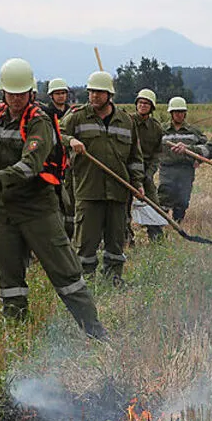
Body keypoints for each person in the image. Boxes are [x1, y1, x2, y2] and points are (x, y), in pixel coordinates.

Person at [0, 59, 106, 338]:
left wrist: (0, 178)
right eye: (11, 94)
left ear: (31, 92)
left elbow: (31, 164)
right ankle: (17, 332)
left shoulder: (39, 121)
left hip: (38, 209)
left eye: (22, 94)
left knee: (66, 273)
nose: (16, 99)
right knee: (9, 276)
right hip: (4, 210)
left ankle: (95, 332)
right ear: (3, 92)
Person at [60, 70, 145, 284]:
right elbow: (55, 133)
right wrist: (70, 140)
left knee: (116, 240)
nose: (94, 96)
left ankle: (114, 277)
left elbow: (135, 157)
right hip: (89, 190)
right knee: (86, 242)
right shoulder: (77, 117)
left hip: (118, 191)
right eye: (91, 92)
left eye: (99, 92)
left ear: (109, 95)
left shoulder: (126, 121)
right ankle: (86, 281)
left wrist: (138, 183)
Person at [158, 96, 206, 222]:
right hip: (167, 169)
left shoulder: (194, 131)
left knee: (182, 198)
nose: (179, 115)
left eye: (181, 112)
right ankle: (161, 224)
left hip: (186, 169)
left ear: (185, 113)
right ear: (171, 113)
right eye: (176, 112)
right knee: (164, 195)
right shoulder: (161, 130)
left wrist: (198, 160)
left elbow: (206, 147)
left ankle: (178, 222)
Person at [130, 88, 167, 241]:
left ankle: (156, 237)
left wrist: (150, 173)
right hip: (128, 169)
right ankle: (126, 239)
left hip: (146, 170)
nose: (142, 106)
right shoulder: (127, 122)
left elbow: (158, 153)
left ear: (151, 107)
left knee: (153, 204)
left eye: (146, 103)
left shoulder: (156, 128)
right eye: (140, 102)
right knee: (123, 206)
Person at [44, 77, 76, 239]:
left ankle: (70, 233)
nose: (61, 96)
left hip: (70, 163)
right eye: (57, 93)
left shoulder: (73, 113)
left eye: (63, 93)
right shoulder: (45, 114)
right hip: (53, 161)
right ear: (51, 96)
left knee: (70, 199)